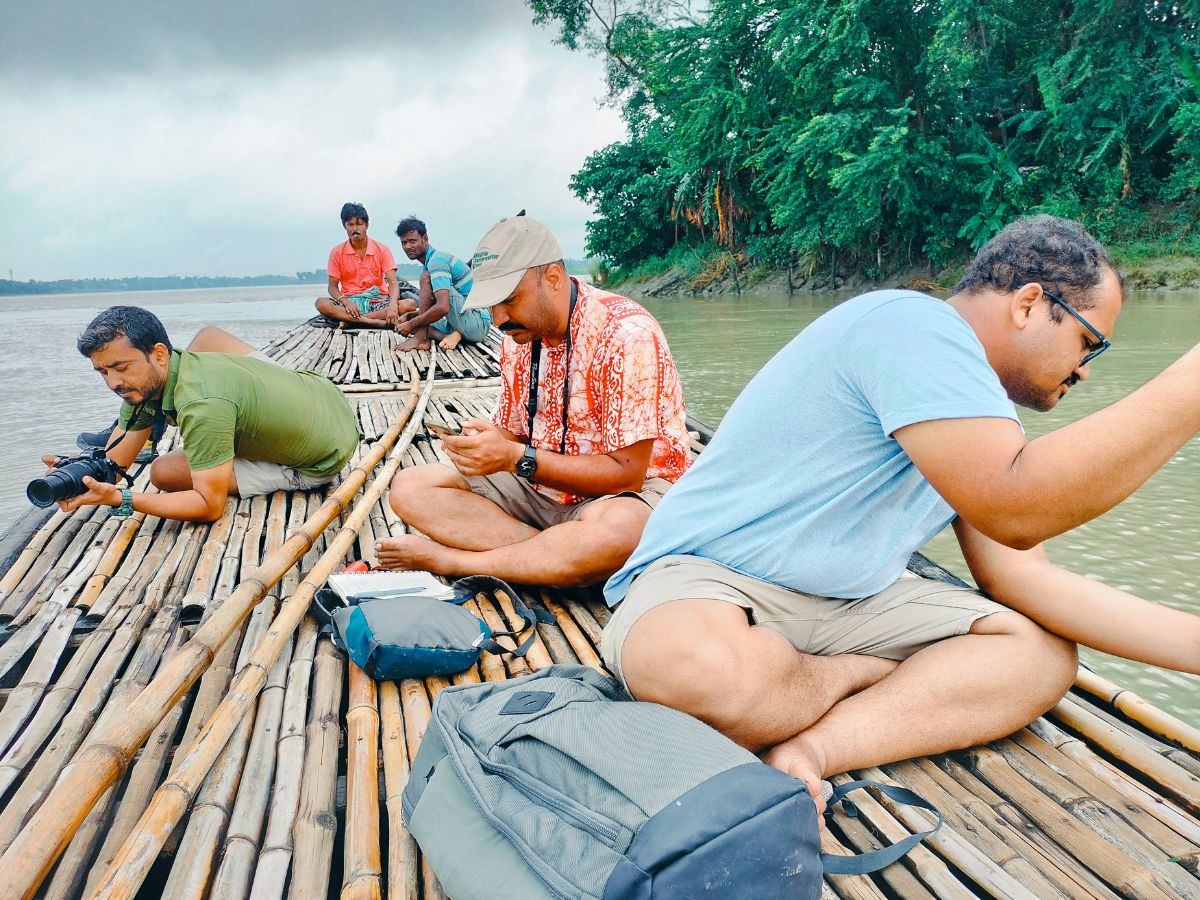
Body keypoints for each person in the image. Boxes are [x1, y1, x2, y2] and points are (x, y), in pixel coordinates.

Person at [601, 215, 1200, 809]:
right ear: (1029, 304)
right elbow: (1018, 506)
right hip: (714, 578)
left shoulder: (987, 423)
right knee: (697, 675)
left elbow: (1023, 577)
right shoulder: (911, 324)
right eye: (1088, 342)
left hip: (855, 603)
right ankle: (861, 673)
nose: (1086, 369)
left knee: (1040, 658)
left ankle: (815, 747)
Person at [377, 214, 690, 586]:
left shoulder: (626, 335)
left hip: (620, 496)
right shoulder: (519, 338)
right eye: (491, 304)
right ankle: (555, 560)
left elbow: (626, 473)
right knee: (411, 487)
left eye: (508, 300)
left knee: (616, 534)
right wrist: (490, 441)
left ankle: (457, 562)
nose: (498, 319)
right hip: (540, 489)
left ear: (553, 278)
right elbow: (513, 435)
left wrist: (514, 457)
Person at [46, 306, 360, 523]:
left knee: (163, 472)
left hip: (323, 458)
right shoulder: (156, 374)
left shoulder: (201, 405)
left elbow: (209, 506)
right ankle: (152, 424)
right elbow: (114, 466)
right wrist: (77, 474)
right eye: (102, 372)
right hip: (324, 394)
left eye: (121, 368)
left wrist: (121, 500)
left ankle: (155, 427)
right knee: (208, 337)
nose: (113, 383)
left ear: (158, 354)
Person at [393, 215, 493, 351]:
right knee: (417, 323)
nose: (408, 246)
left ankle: (421, 339)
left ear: (425, 239)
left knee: (426, 279)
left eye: (412, 241)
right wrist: (409, 316)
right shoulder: (430, 262)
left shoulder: (437, 262)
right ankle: (452, 335)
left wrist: (410, 323)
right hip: (467, 320)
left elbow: (443, 307)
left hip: (477, 322)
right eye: (404, 243)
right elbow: (433, 307)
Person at [314, 202, 408, 327]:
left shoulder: (382, 249)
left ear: (366, 225)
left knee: (409, 305)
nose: (355, 228)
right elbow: (332, 287)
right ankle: (372, 322)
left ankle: (352, 321)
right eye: (350, 225)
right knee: (321, 303)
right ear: (345, 226)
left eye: (359, 224)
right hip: (350, 304)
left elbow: (392, 282)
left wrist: (392, 305)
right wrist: (346, 303)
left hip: (378, 302)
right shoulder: (337, 252)